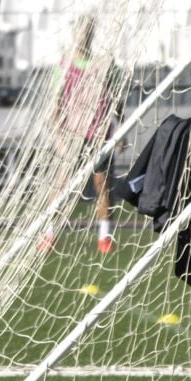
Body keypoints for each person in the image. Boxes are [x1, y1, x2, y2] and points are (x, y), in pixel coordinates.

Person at [54, 16, 123, 254]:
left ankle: (104, 238)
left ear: (92, 35)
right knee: (60, 185)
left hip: (99, 133)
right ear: (74, 34)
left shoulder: (104, 64)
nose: (83, 37)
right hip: (73, 134)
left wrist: (121, 129)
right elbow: (56, 102)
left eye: (88, 32)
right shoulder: (64, 65)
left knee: (101, 184)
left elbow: (117, 99)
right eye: (80, 32)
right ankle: (49, 233)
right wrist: (58, 136)